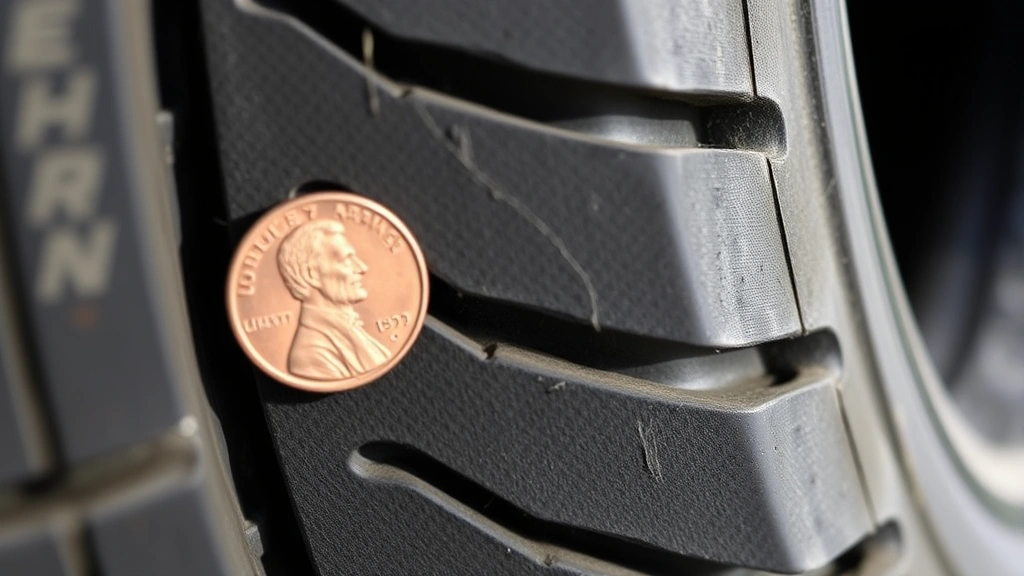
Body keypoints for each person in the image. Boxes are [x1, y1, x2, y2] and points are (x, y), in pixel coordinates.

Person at [277, 220, 391, 379]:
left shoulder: (352, 330)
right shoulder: (312, 355)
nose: (362, 267)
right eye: (346, 259)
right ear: (312, 274)